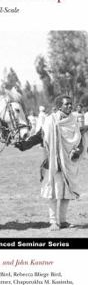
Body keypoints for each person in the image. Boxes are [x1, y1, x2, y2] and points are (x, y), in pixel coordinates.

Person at [15, 95, 87, 231]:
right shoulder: (50, 121)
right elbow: (38, 137)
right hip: (53, 162)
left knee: (66, 193)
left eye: (71, 104)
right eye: (67, 104)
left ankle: (63, 221)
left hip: (69, 163)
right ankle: (53, 221)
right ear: (59, 106)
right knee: (53, 193)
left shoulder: (74, 122)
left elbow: (80, 141)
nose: (70, 107)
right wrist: (24, 145)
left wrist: (78, 151)